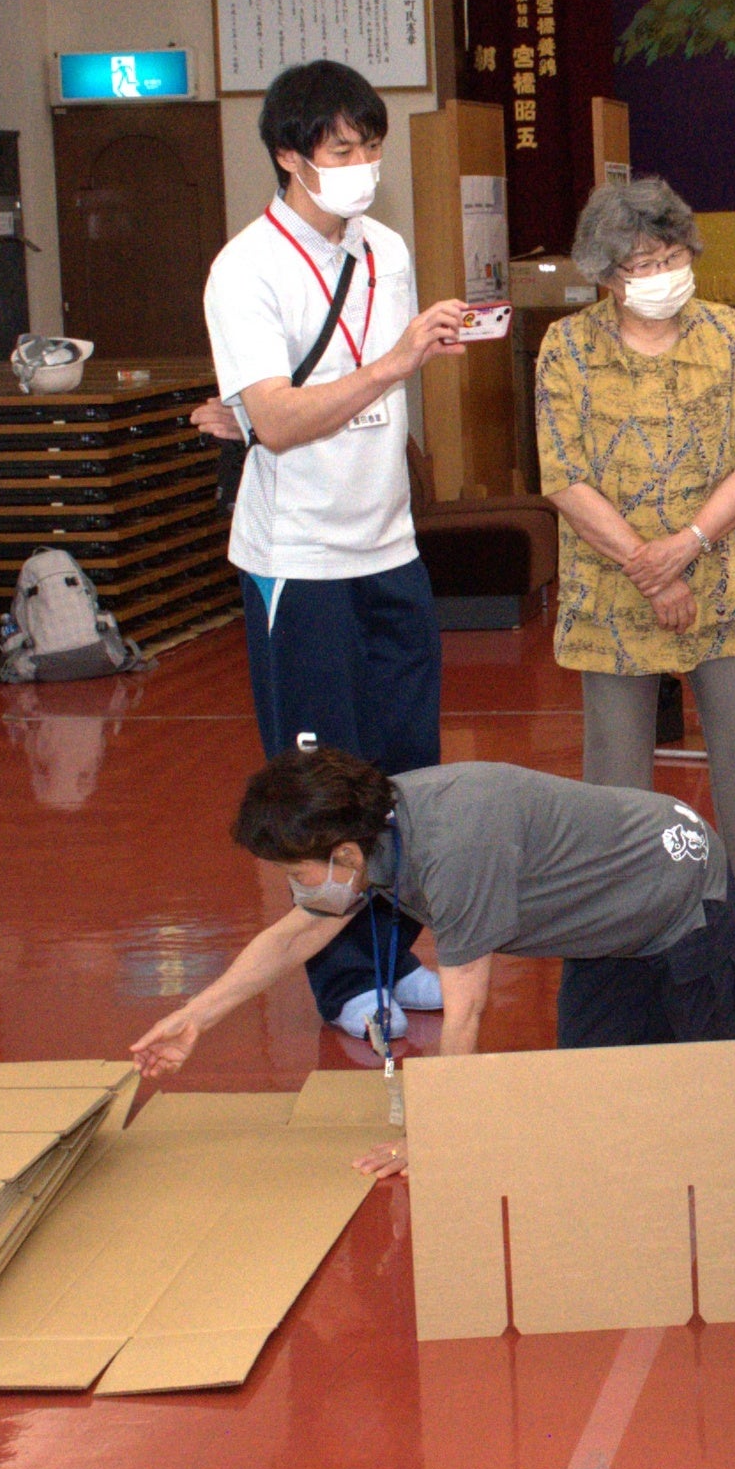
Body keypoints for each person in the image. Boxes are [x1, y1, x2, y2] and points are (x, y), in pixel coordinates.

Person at [128, 748, 735, 1154]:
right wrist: (197, 1015)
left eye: (296, 871)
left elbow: (465, 1017)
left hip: (675, 891)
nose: (292, 886)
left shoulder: (454, 850)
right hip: (606, 929)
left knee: (731, 1071)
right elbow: (294, 934)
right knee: (595, 1088)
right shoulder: (373, 836)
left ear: (342, 853)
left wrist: (438, 1140)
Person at [201, 59, 474, 1046]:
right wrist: (396, 360)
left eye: (370, 149)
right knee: (324, 785)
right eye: (342, 152)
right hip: (299, 565)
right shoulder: (246, 270)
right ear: (288, 156)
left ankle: (398, 953)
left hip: (388, 546)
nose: (361, 168)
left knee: (406, 768)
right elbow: (272, 419)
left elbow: (375, 396)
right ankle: (343, 980)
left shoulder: (387, 247)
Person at [536, 176, 735, 979]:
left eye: (669, 256)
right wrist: (649, 568)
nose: (660, 274)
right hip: (610, 588)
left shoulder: (728, 335)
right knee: (616, 770)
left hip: (725, 578)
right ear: (604, 275)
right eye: (639, 264)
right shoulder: (568, 347)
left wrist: (685, 546)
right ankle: (622, 923)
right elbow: (564, 474)